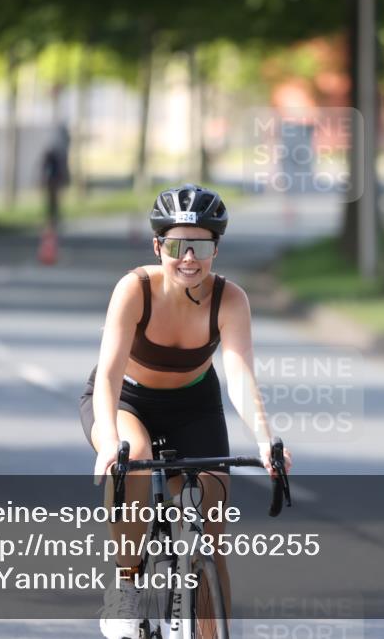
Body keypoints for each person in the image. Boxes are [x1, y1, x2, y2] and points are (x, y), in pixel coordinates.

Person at [79, 184, 292, 638]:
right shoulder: (134, 288)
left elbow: (238, 376)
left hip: (193, 405)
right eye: (177, 246)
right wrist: (109, 443)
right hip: (124, 400)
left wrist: (265, 441)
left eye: (201, 245)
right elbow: (110, 373)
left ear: (216, 248)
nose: (189, 258)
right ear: (158, 246)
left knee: (212, 536)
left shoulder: (230, 299)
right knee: (133, 453)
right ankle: (126, 586)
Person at [41, 126, 70, 230]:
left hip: (53, 180)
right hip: (52, 180)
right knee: (52, 202)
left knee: (54, 202)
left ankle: (53, 220)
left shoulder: (54, 153)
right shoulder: (55, 154)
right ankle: (51, 221)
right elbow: (49, 169)